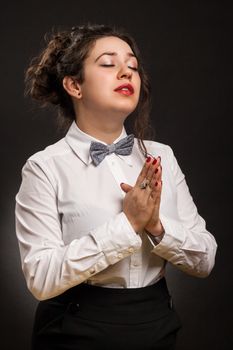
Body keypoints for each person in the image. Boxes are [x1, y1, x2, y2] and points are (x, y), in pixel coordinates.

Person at [15, 23, 217, 350]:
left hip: (157, 323)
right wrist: (127, 225)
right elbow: (41, 278)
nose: (126, 72)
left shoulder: (162, 155)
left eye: (133, 66)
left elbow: (205, 259)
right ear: (74, 85)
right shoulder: (44, 167)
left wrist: (156, 227)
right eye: (109, 64)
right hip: (75, 328)